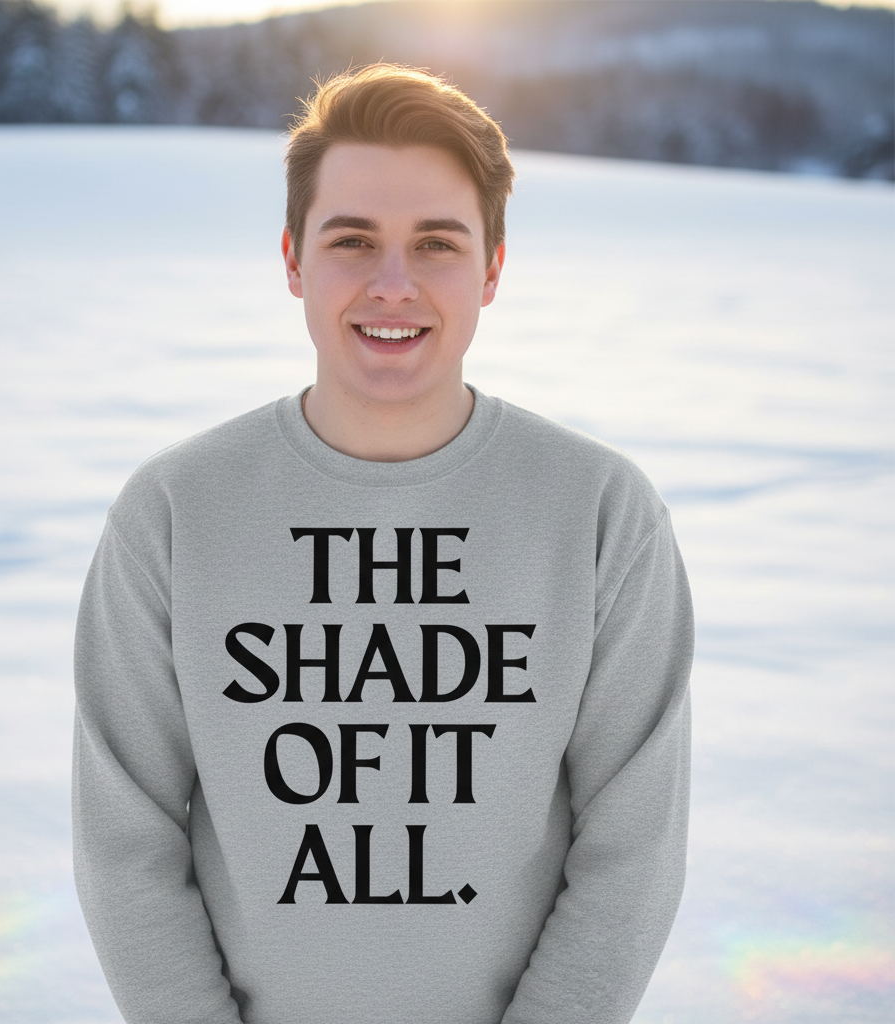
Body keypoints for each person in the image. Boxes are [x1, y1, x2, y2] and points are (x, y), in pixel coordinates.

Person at [73, 64, 693, 1024]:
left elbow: (634, 846)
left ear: (492, 268)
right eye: (352, 240)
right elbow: (126, 840)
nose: (392, 285)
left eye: (437, 245)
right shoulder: (173, 510)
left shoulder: (600, 513)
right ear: (292, 260)